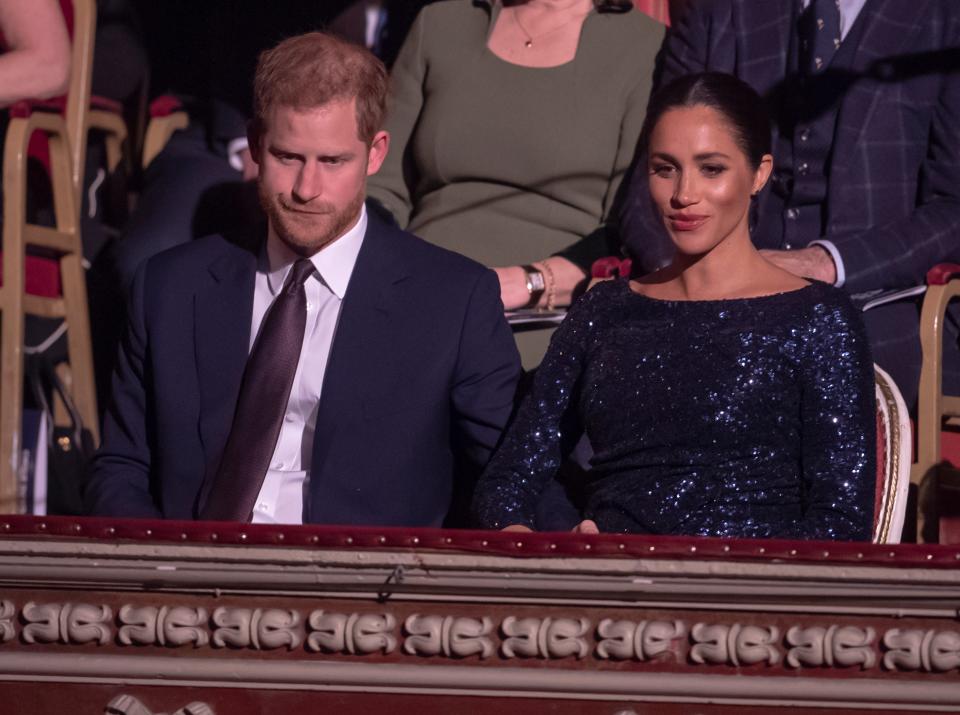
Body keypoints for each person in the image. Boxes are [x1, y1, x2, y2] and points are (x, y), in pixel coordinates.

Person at [86, 32, 521, 526]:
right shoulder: (169, 287)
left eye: (333, 161)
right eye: (287, 157)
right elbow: (121, 467)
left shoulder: (452, 301)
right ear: (254, 146)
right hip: (188, 582)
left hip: (359, 591)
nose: (306, 189)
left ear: (375, 154)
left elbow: (510, 475)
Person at [473, 73, 877, 541]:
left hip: (752, 597)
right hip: (609, 590)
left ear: (759, 173)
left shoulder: (818, 319)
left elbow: (840, 523)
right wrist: (556, 545)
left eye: (711, 169)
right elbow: (506, 482)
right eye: (665, 168)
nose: (684, 194)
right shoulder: (604, 310)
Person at [620, 0, 960, 410]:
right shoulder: (717, 11)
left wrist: (825, 262)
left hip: (864, 305)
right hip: (704, 297)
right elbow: (649, 182)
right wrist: (690, 283)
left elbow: (953, 207)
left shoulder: (944, 16)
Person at [366, 0, 664, 365]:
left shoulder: (645, 45)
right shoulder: (441, 22)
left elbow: (632, 224)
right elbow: (380, 183)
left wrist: (529, 283)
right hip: (416, 291)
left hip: (547, 315)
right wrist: (383, 271)